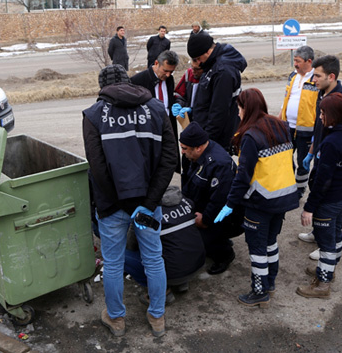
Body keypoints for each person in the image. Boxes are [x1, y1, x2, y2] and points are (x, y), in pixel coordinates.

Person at [82, 64, 177, 338]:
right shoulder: (157, 109)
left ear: (102, 88)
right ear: (129, 81)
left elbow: (97, 167)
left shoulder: (93, 114)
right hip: (148, 203)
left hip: (112, 206)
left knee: (112, 263)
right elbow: (169, 159)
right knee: (153, 258)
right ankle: (157, 318)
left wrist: (119, 203)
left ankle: (116, 319)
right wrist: (148, 202)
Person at [214, 88, 299, 308]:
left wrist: (230, 204)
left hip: (260, 202)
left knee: (257, 248)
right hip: (282, 198)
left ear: (246, 108)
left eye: (240, 108)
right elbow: (290, 163)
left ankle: (259, 291)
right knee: (271, 243)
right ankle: (270, 283)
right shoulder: (280, 126)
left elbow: (243, 176)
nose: (238, 113)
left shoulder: (251, 136)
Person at [296, 93, 342, 299]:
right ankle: (329, 270)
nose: (321, 117)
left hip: (328, 200)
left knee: (326, 243)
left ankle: (323, 284)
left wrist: (309, 207)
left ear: (333, 115)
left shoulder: (333, 142)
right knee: (336, 233)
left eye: (323, 113)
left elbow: (323, 180)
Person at [298, 55, 342, 255]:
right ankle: (318, 231)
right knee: (318, 189)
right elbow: (318, 127)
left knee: (330, 201)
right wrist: (312, 152)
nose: (314, 80)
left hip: (331, 159)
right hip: (321, 154)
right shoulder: (322, 95)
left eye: (318, 76)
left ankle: (329, 242)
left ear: (331, 76)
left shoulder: (341, 101)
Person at [125, 186, 206, 301]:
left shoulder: (145, 211)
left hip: (174, 272)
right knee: (175, 240)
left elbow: (130, 245)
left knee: (121, 254)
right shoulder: (185, 201)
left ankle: (163, 291)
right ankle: (180, 284)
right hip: (198, 263)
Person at [180, 122, 240, 275]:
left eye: (184, 149)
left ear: (198, 147)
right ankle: (215, 240)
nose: (182, 152)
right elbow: (186, 182)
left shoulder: (220, 164)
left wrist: (205, 220)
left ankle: (224, 254)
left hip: (223, 216)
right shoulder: (192, 154)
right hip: (202, 207)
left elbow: (220, 201)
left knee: (192, 244)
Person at [187, 32, 247, 152]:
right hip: (206, 132)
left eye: (198, 58)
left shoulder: (223, 71)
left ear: (208, 52)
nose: (198, 63)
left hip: (215, 139)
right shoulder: (212, 63)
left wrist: (207, 140)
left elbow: (219, 111)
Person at [279, 45, 318, 200]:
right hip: (288, 127)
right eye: (294, 60)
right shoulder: (292, 76)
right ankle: (288, 186)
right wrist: (279, 118)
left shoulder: (316, 79)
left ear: (309, 61)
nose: (295, 64)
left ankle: (299, 190)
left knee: (303, 162)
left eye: (298, 61)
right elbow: (286, 99)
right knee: (285, 159)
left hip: (306, 130)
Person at [131, 50, 181, 170]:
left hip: (167, 127)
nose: (168, 75)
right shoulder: (137, 81)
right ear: (156, 63)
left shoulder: (169, 80)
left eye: (171, 71)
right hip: (149, 129)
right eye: (165, 71)